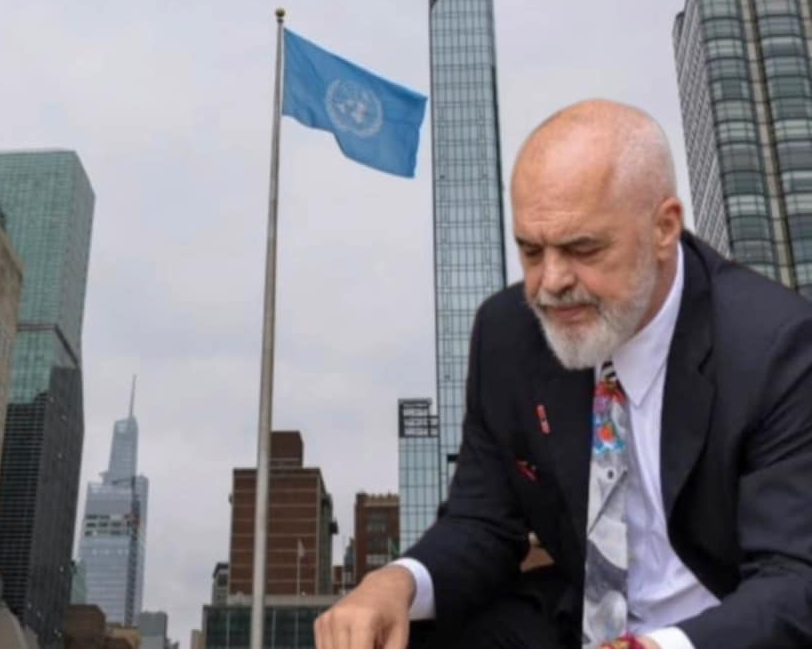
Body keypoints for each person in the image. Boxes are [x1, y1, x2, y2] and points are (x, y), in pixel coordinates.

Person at [314, 100, 812, 649]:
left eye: (582, 249)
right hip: (575, 622)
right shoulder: (508, 334)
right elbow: (482, 522)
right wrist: (395, 583)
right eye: (531, 251)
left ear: (663, 227)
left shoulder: (776, 346)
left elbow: (794, 582)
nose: (550, 283)